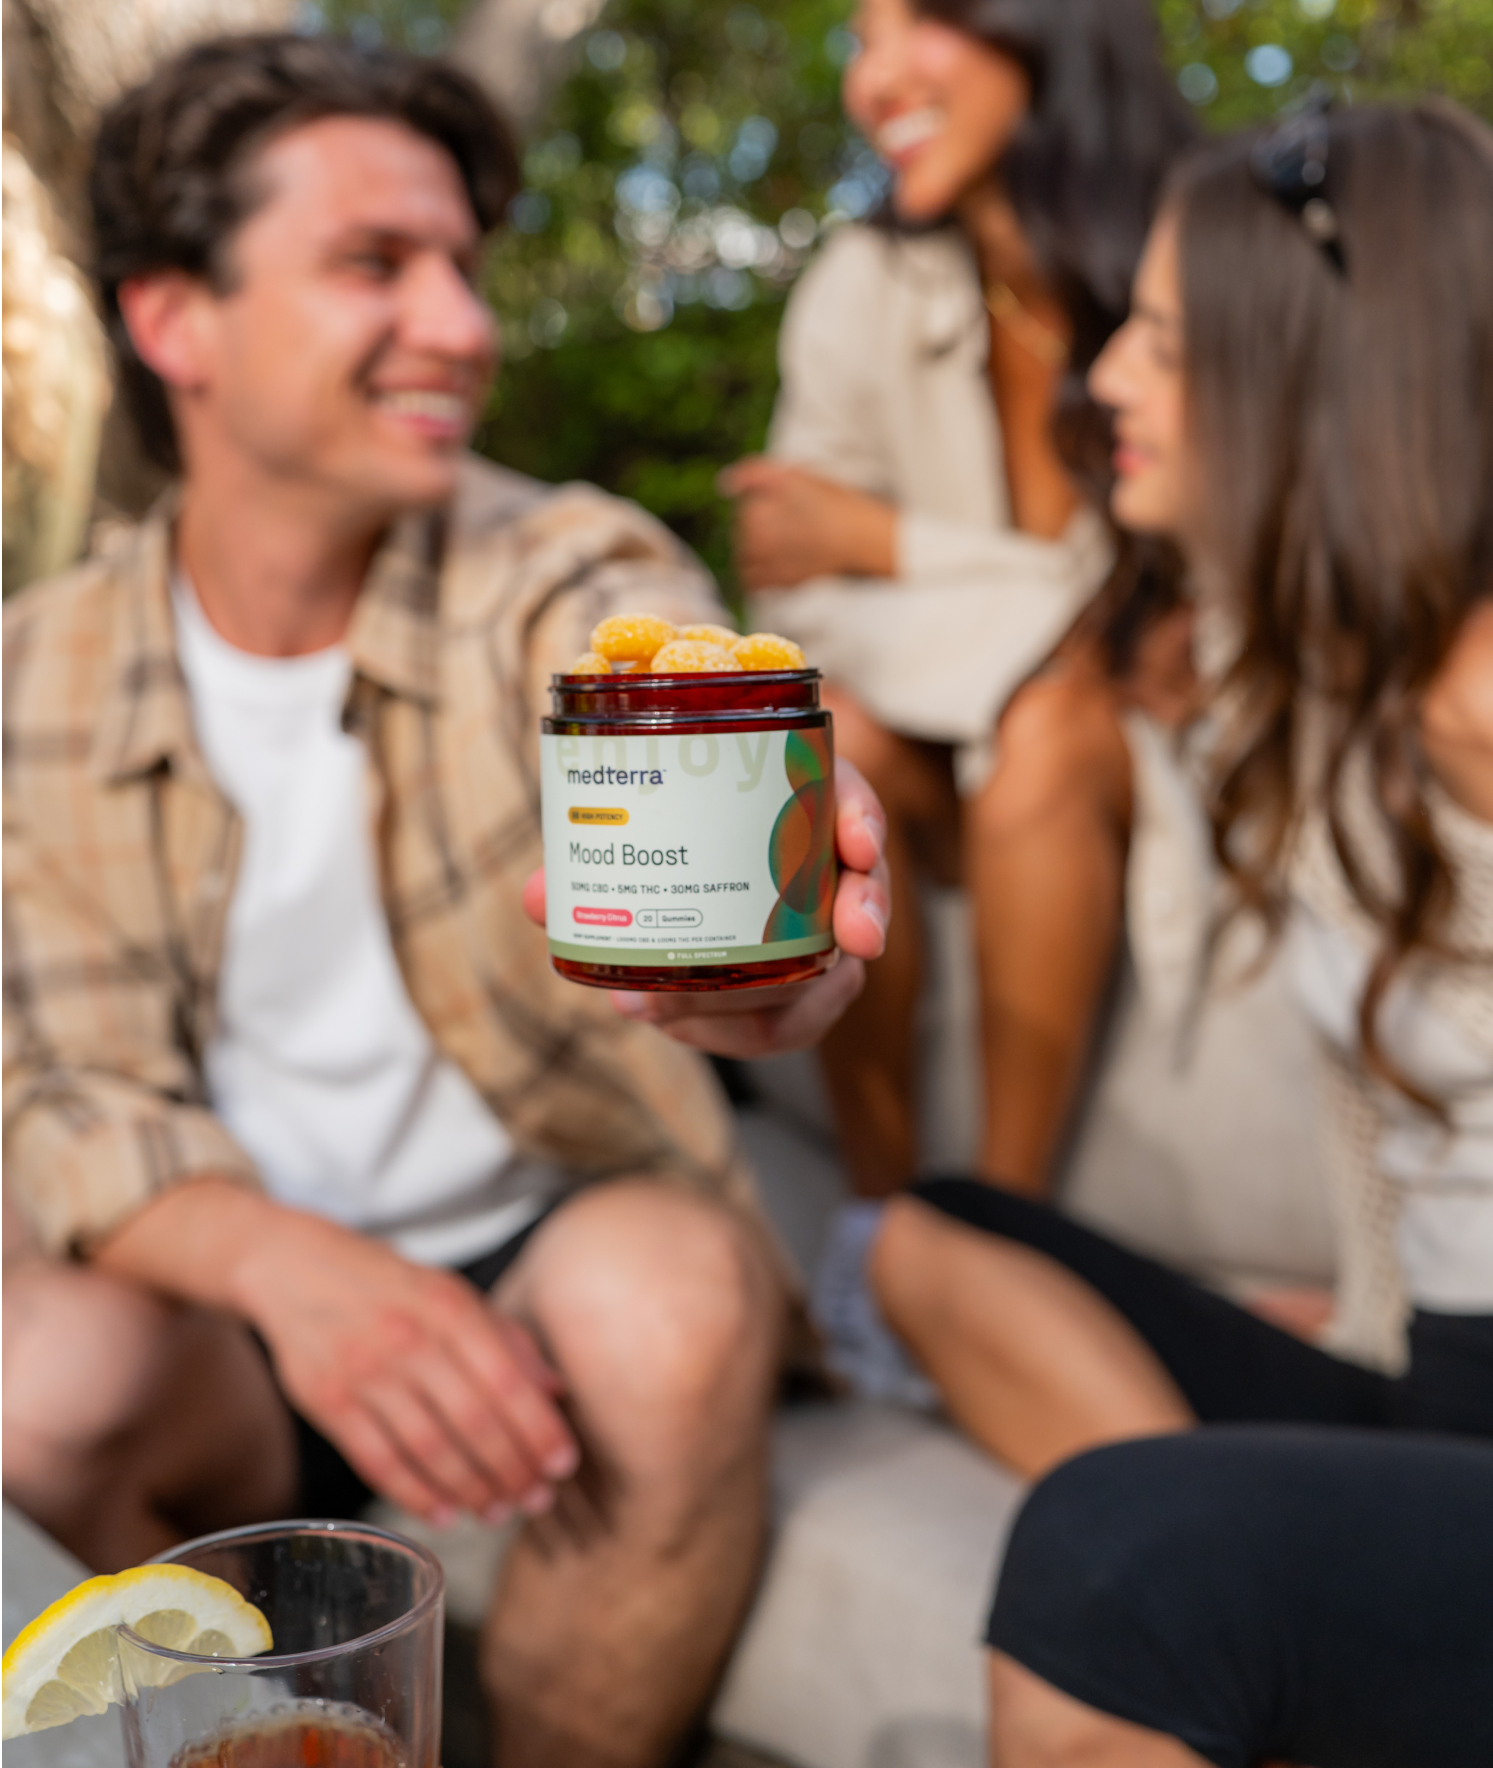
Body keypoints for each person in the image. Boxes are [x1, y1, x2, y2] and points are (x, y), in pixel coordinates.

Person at [0, 35, 889, 1768]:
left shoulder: (546, 568)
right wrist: (297, 1272)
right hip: (231, 1292)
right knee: (43, 1372)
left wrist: (758, 922)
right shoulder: (40, 672)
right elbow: (70, 1096)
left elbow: (638, 640)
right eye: (372, 264)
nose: (464, 325)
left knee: (683, 1295)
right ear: (175, 320)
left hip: (537, 1244)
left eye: (464, 268)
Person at [868, 99, 1493, 1766]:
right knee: (928, 1233)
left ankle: (1201, 1598)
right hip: (1431, 1383)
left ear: (1304, 364)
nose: (1109, 381)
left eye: (1155, 333)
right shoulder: (1316, 684)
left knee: (1112, 1565)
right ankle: (1253, 1622)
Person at [723, 0, 1198, 1200]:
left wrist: (887, 542)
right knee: (832, 730)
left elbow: (1203, 631)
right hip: (935, 752)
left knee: (1050, 721)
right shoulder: (858, 282)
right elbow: (802, 601)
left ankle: (1003, 1220)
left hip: (1132, 762)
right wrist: (1060, 623)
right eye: (857, 36)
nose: (875, 79)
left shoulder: (1200, 257)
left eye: (920, 18)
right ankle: (880, 1227)